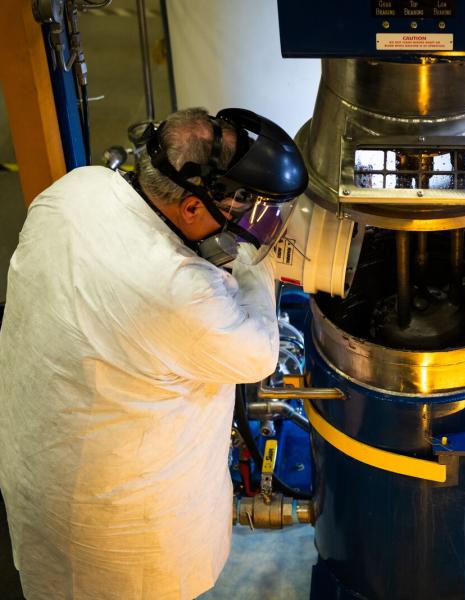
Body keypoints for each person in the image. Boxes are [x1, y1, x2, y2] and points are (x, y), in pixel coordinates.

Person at [0, 107, 307, 599]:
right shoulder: (178, 290)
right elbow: (258, 354)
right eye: (240, 209)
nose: (247, 221)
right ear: (190, 208)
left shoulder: (76, 190)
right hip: (123, 531)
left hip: (39, 476)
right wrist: (258, 263)